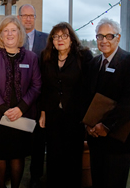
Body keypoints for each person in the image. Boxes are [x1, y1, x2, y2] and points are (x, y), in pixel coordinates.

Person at [0, 15, 41, 188]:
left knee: (17, 155)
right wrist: (3, 108)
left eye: (13, 30)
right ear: (0, 35)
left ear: (19, 33)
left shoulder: (31, 57)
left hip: (22, 116)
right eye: (5, 30)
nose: (9, 34)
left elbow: (37, 85)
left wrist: (21, 109)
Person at [86, 18, 130, 188]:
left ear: (118, 38)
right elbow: (87, 97)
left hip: (119, 138)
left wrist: (106, 126)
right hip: (96, 137)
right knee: (98, 180)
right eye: (100, 36)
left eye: (109, 36)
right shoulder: (94, 63)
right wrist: (88, 125)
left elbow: (129, 102)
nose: (104, 41)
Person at [39, 22, 93, 188]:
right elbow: (44, 87)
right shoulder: (46, 56)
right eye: (56, 36)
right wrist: (43, 112)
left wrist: (87, 116)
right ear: (52, 40)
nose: (60, 39)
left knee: (72, 156)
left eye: (64, 36)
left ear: (71, 38)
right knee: (54, 155)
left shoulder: (84, 56)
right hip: (53, 114)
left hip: (75, 115)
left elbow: (89, 87)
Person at [17, 4, 48, 188]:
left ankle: (35, 177)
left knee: (38, 143)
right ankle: (14, 175)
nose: (28, 19)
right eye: (25, 15)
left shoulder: (46, 40)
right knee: (17, 142)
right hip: (18, 102)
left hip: (39, 101)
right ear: (19, 17)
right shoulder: (12, 37)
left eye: (31, 16)